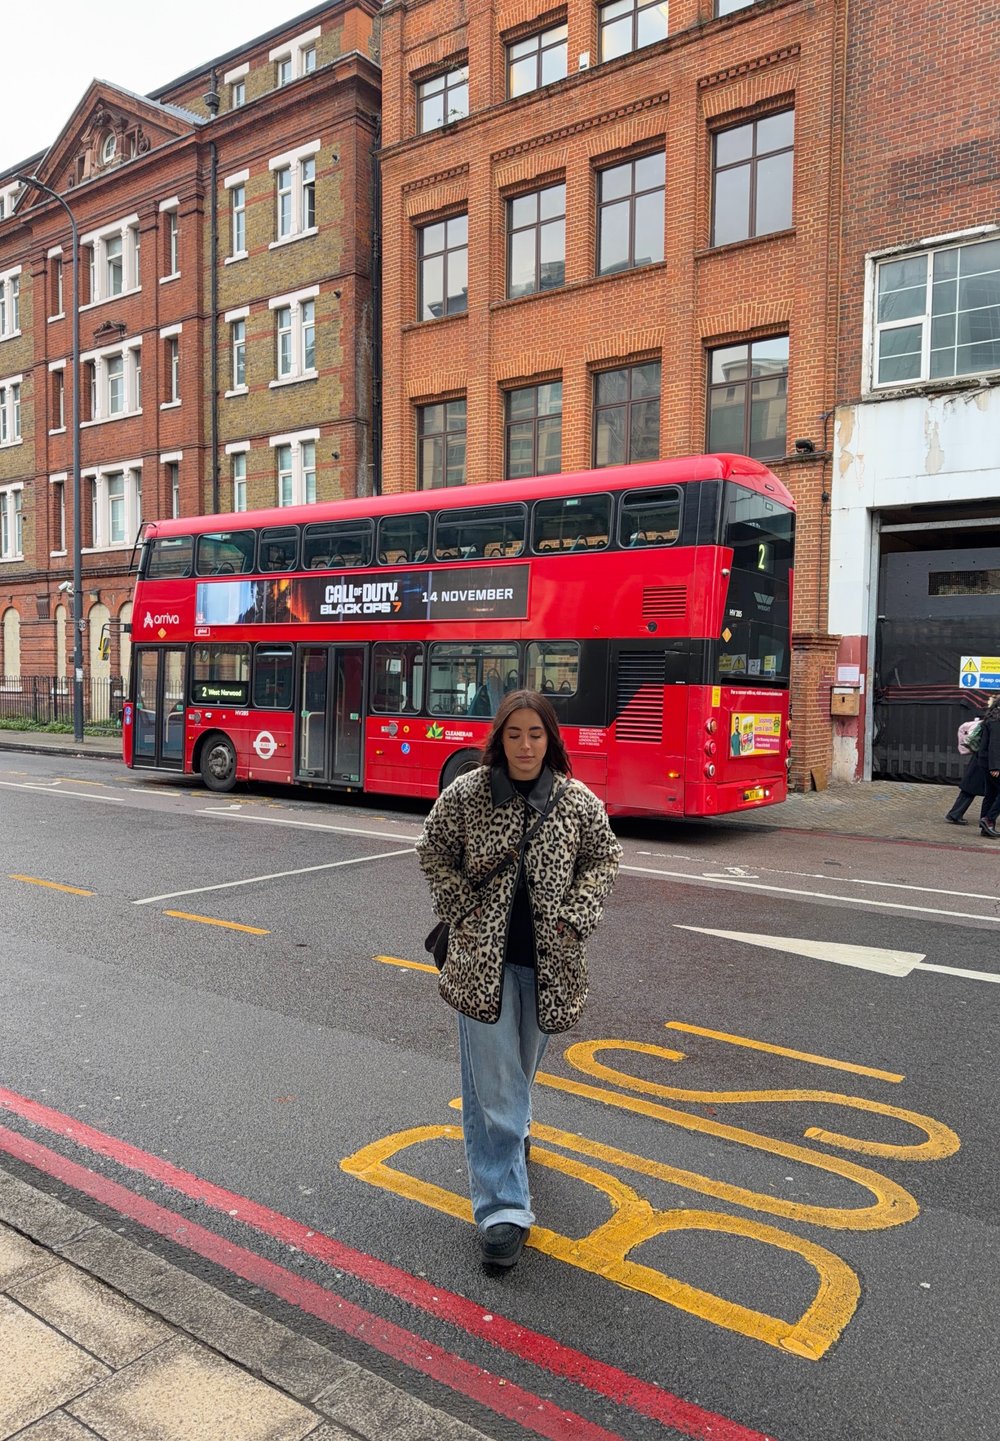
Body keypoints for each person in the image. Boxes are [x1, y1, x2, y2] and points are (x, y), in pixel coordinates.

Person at [415, 690, 621, 1272]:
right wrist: (462, 909)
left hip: (549, 967)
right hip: (483, 966)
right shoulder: (469, 794)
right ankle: (502, 1208)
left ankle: (515, 1132)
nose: (525, 745)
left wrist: (576, 917)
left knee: (518, 1073)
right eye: (514, 734)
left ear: (549, 739)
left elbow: (604, 857)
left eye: (535, 734)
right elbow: (432, 851)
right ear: (499, 740)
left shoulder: (575, 802)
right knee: (495, 1087)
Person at [945, 699, 1000, 836]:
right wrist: (995, 767)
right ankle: (988, 820)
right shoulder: (996, 721)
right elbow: (995, 745)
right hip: (991, 764)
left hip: (984, 762)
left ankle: (985, 828)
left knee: (991, 794)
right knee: (989, 793)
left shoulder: (991, 717)